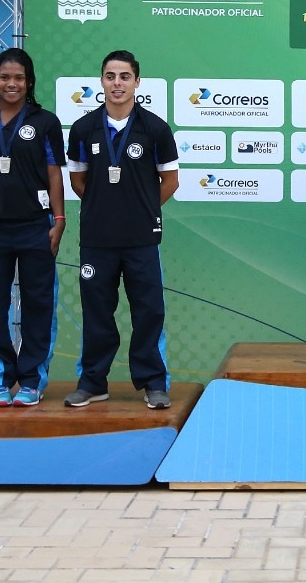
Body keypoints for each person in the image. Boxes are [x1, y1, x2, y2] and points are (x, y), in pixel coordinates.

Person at [64, 51, 180, 410]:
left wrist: (139, 210)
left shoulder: (155, 128)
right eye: (111, 76)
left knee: (148, 311)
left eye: (124, 76)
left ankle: (153, 382)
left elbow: (170, 181)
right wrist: (106, 208)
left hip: (141, 239)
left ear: (137, 82)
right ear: (101, 81)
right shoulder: (83, 129)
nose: (117, 83)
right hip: (97, 239)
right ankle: (93, 382)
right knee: (97, 311)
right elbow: (78, 181)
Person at [0, 48, 66, 408]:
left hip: (36, 228)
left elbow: (54, 175)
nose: (12, 84)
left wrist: (59, 220)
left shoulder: (46, 122)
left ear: (29, 82)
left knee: (39, 305)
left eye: (19, 77)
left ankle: (33, 379)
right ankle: (0, 378)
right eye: (5, 77)